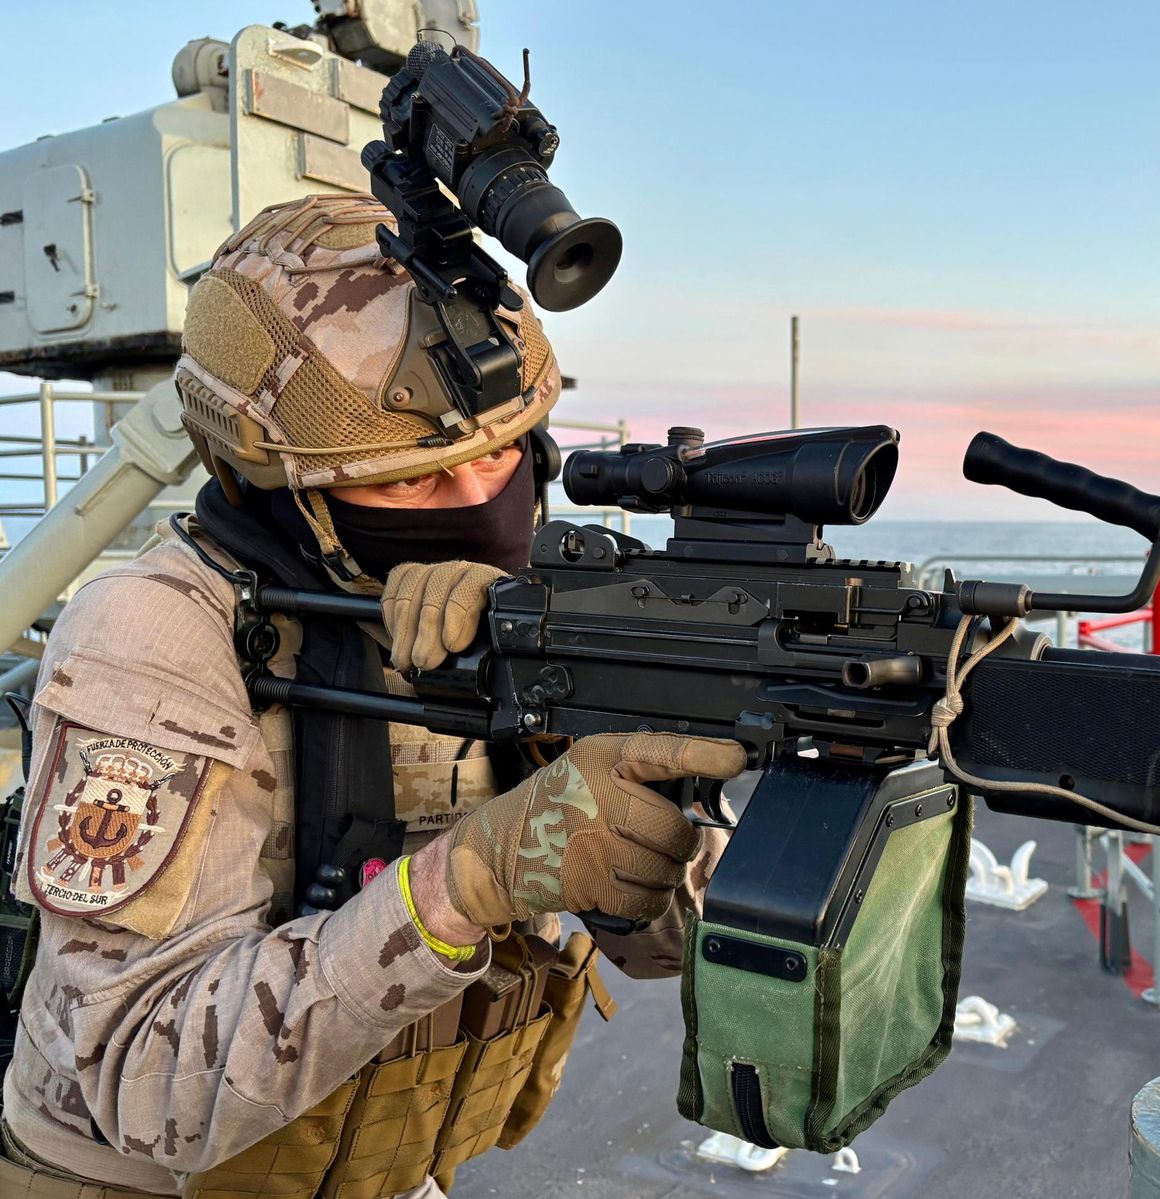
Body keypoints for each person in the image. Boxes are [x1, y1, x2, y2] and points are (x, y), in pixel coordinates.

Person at [0, 193, 740, 1199]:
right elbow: (144, 1089)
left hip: (375, 1164)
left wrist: (578, 726)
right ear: (277, 487)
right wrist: (470, 881)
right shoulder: (156, 632)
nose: (478, 504)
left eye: (495, 456)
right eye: (409, 483)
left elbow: (668, 945)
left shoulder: (529, 613)